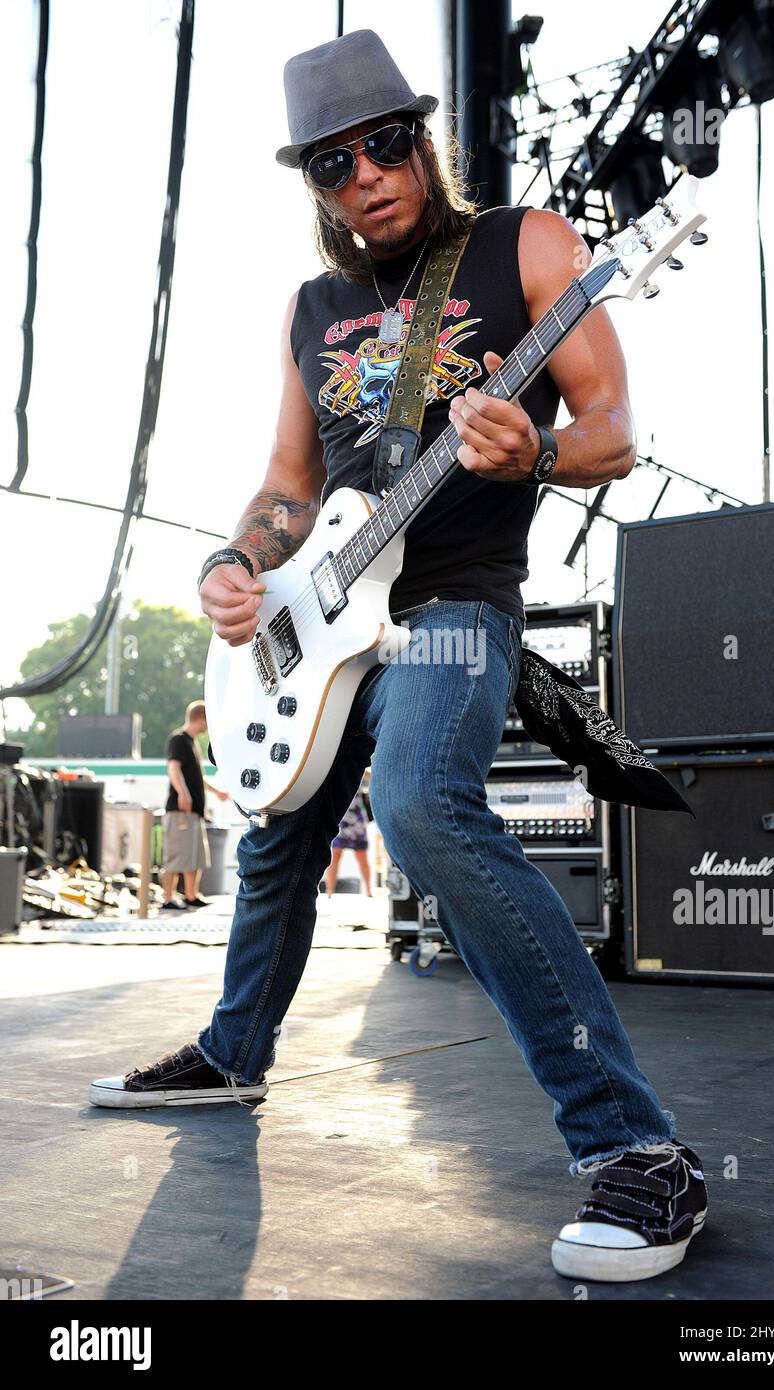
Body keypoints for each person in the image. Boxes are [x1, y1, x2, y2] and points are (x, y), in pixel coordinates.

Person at [90, 30, 708, 1284]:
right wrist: (236, 562)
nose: (364, 174)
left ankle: (639, 1151)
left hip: (450, 605)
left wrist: (528, 451)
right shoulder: (313, 309)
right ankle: (232, 1051)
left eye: (382, 144)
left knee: (423, 809)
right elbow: (287, 484)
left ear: (419, 140)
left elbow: (612, 433)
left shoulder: (525, 247)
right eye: (333, 162)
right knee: (275, 833)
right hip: (321, 612)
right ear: (314, 183)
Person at [162, 700, 229, 910]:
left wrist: (217, 792)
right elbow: (174, 769)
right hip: (180, 809)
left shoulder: (192, 743)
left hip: (195, 812)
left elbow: (198, 777)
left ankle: (191, 895)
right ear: (200, 719)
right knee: (176, 854)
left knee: (195, 855)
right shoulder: (178, 740)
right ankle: (168, 897)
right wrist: (183, 793)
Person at [324, 777, 373, 898]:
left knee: (361, 854)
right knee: (334, 854)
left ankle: (369, 890)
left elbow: (371, 775)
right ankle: (329, 891)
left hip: (356, 816)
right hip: (341, 815)